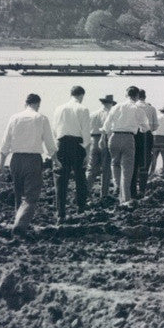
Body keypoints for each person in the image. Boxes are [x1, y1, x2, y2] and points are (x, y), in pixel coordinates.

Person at [0, 93, 58, 234]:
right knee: (31, 197)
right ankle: (19, 226)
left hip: (16, 159)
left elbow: (5, 144)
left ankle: (18, 223)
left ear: (26, 104)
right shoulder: (41, 118)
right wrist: (55, 160)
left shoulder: (14, 118)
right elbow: (50, 144)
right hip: (33, 160)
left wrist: (0, 166)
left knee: (18, 194)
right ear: (37, 104)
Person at [103, 85, 149, 207]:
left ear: (126, 95)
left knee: (115, 164)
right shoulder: (137, 109)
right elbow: (146, 127)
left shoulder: (116, 107)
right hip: (128, 138)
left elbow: (106, 126)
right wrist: (139, 128)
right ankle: (125, 199)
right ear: (137, 96)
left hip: (114, 137)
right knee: (127, 170)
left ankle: (117, 186)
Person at [52, 85, 92, 224]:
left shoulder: (58, 108)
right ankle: (80, 209)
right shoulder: (83, 109)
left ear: (71, 94)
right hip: (77, 145)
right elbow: (86, 133)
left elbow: (54, 130)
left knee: (60, 180)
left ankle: (60, 214)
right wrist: (87, 153)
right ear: (82, 95)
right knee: (80, 178)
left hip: (62, 144)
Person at [88, 94, 115, 201]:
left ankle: (87, 190)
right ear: (111, 103)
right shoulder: (110, 114)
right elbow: (109, 130)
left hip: (93, 140)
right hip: (105, 140)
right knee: (106, 169)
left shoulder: (93, 114)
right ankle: (104, 194)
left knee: (92, 168)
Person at [131, 88, 157, 198]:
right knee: (145, 164)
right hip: (147, 136)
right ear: (145, 97)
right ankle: (142, 189)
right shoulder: (151, 108)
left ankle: (132, 191)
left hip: (134, 135)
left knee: (133, 163)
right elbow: (155, 126)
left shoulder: (132, 107)